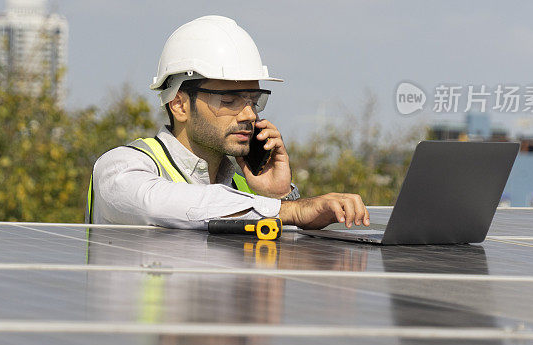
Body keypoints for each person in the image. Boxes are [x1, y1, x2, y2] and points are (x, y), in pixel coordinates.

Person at [88, 15, 370, 230]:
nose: (249, 115)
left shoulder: (242, 187)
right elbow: (160, 204)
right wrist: (289, 211)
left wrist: (280, 196)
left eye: (253, 99)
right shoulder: (121, 166)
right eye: (229, 100)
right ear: (179, 105)